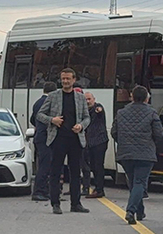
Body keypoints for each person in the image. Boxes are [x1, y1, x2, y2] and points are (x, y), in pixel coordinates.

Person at [37, 68, 91, 215]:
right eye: (63, 79)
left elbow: (87, 117)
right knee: (55, 172)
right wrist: (52, 120)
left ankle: (76, 203)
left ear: (74, 80)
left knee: (75, 172)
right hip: (58, 138)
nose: (65, 81)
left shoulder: (80, 98)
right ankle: (55, 203)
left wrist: (81, 126)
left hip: (75, 139)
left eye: (68, 79)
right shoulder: (53, 96)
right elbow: (39, 114)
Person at [111, 86, 163, 225]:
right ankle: (131, 210)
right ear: (147, 98)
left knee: (134, 182)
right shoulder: (152, 113)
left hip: (126, 154)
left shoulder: (121, 112)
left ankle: (140, 212)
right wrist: (151, 144)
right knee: (140, 183)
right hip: (145, 154)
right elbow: (159, 134)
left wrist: (123, 142)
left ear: (131, 96)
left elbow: (114, 132)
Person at [30, 82, 57, 201]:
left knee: (43, 164)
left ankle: (44, 191)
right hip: (46, 137)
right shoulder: (50, 102)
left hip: (39, 136)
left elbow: (33, 119)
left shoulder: (37, 103)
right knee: (45, 165)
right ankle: (39, 191)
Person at [84, 92, 108, 199]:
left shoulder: (97, 108)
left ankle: (99, 189)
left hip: (99, 141)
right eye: (86, 99)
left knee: (98, 166)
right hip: (90, 142)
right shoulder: (84, 111)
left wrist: (98, 110)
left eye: (89, 99)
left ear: (94, 99)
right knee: (93, 165)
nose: (88, 101)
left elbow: (99, 110)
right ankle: (97, 188)